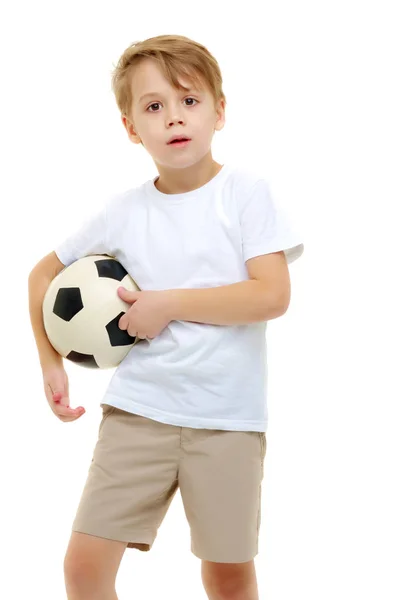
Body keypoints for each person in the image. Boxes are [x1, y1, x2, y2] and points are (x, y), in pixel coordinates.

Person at [28, 34, 304, 600]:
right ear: (131, 126)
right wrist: (49, 362)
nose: (174, 118)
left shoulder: (246, 194)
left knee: (228, 575)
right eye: (154, 106)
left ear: (219, 111)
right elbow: (41, 276)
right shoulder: (122, 211)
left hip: (227, 420)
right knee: (84, 566)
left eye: (190, 101)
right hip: (137, 413)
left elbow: (271, 295)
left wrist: (167, 303)